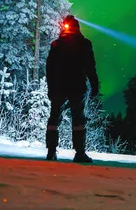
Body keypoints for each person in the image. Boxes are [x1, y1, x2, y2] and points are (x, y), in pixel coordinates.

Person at [45, 15, 99, 163]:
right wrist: (95, 85)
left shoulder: (56, 45)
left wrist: (50, 88)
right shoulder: (84, 44)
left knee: (54, 117)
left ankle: (51, 152)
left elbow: (49, 68)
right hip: (77, 86)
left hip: (58, 87)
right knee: (78, 119)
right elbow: (90, 66)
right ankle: (80, 153)